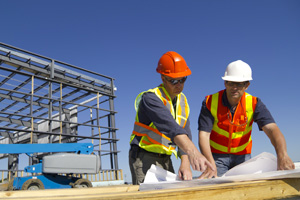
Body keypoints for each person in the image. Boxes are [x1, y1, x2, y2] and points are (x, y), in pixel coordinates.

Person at [198, 60, 295, 178]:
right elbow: (204, 135)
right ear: (225, 83)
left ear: (246, 85)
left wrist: (283, 155)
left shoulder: (255, 103)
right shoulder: (209, 102)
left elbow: (272, 129)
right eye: (231, 83)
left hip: (243, 156)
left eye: (239, 84)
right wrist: (210, 163)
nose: (234, 88)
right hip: (216, 156)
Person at [129, 51, 213, 185]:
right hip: (144, 156)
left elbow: (185, 131)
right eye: (173, 81)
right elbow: (171, 128)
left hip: (166, 158)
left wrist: (185, 163)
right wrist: (193, 152)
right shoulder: (150, 98)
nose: (178, 84)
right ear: (163, 78)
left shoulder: (182, 101)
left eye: (182, 79)